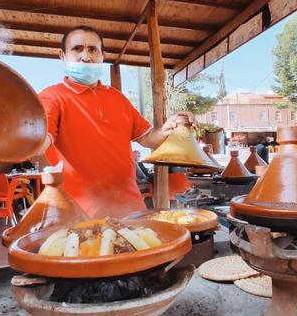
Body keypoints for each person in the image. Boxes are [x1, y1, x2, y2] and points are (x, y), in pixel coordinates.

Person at [39, 25, 195, 218]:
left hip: (131, 210)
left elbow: (148, 138)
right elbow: (41, 141)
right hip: (80, 217)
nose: (86, 57)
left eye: (92, 49)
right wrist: (21, 136)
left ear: (103, 56)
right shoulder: (51, 98)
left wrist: (170, 127)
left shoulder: (118, 98)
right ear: (62, 56)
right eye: (77, 49)